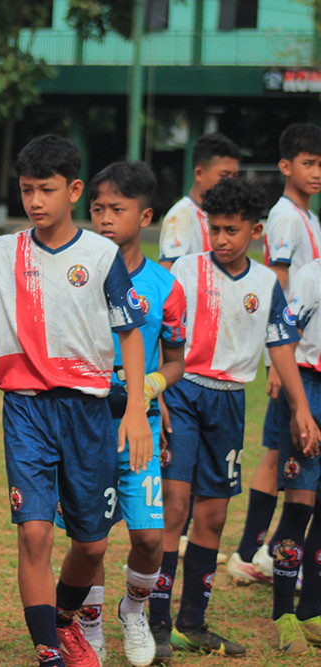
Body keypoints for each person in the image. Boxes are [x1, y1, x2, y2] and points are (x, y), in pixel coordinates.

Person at [0, 135, 151, 667]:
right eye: (27, 190)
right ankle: (49, 649)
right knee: (33, 534)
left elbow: (133, 333)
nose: (35, 202)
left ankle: (66, 620)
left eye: (46, 190)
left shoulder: (100, 255)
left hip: (89, 411)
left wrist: (137, 408)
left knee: (92, 545)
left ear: (73, 190)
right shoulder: (4, 253)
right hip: (26, 409)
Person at [153, 177, 319, 660]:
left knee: (214, 513)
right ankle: (157, 621)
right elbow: (155, 330)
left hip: (228, 402)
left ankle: (193, 623)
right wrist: (156, 387)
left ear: (255, 230)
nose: (223, 240)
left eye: (232, 230)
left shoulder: (267, 283)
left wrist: (301, 409)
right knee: (175, 503)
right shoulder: (184, 270)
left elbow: (282, 346)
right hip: (183, 392)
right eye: (216, 229)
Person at [69, 162, 186, 667]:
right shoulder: (78, 277)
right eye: (97, 209)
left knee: (148, 536)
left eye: (117, 209)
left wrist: (152, 384)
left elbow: (179, 358)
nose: (105, 219)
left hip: (142, 424)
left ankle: (134, 609)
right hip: (87, 421)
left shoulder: (166, 285)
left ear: (145, 216)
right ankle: (90, 626)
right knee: (90, 538)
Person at [229, 122, 321, 585]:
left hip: (297, 352)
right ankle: (255, 552)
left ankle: (253, 552)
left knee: (273, 451)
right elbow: (278, 280)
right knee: (284, 456)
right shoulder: (286, 216)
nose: (317, 172)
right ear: (285, 166)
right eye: (308, 163)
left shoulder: (309, 217)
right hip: (294, 357)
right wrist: (275, 359)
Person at [265, 255, 321, 655]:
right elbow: (286, 334)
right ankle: (284, 613)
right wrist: (296, 402)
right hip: (307, 387)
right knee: (300, 504)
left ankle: (311, 609)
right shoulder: (312, 274)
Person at [158, 133, 241, 270]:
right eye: (224, 175)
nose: (231, 182)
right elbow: (169, 272)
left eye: (235, 176)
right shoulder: (182, 215)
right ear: (199, 174)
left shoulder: (218, 214)